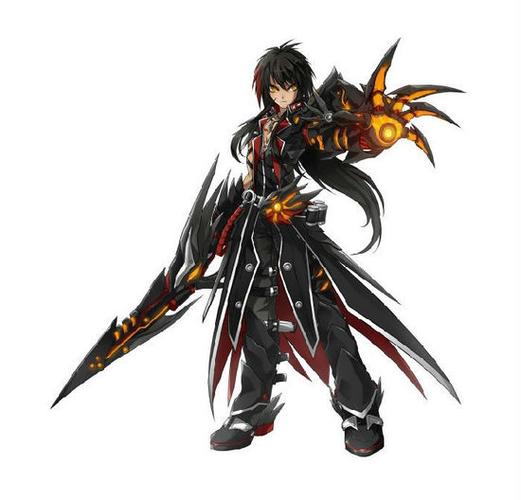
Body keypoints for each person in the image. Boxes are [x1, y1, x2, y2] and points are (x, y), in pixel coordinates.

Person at [53, 41, 461, 457]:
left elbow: (335, 138)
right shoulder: (261, 126)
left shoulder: (305, 124)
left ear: (299, 87)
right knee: (255, 317)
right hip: (251, 232)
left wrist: (372, 131)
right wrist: (221, 224)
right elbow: (251, 178)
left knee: (321, 316)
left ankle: (359, 407)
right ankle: (252, 406)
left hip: (290, 234)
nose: (281, 94)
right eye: (274, 88)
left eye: (287, 87)